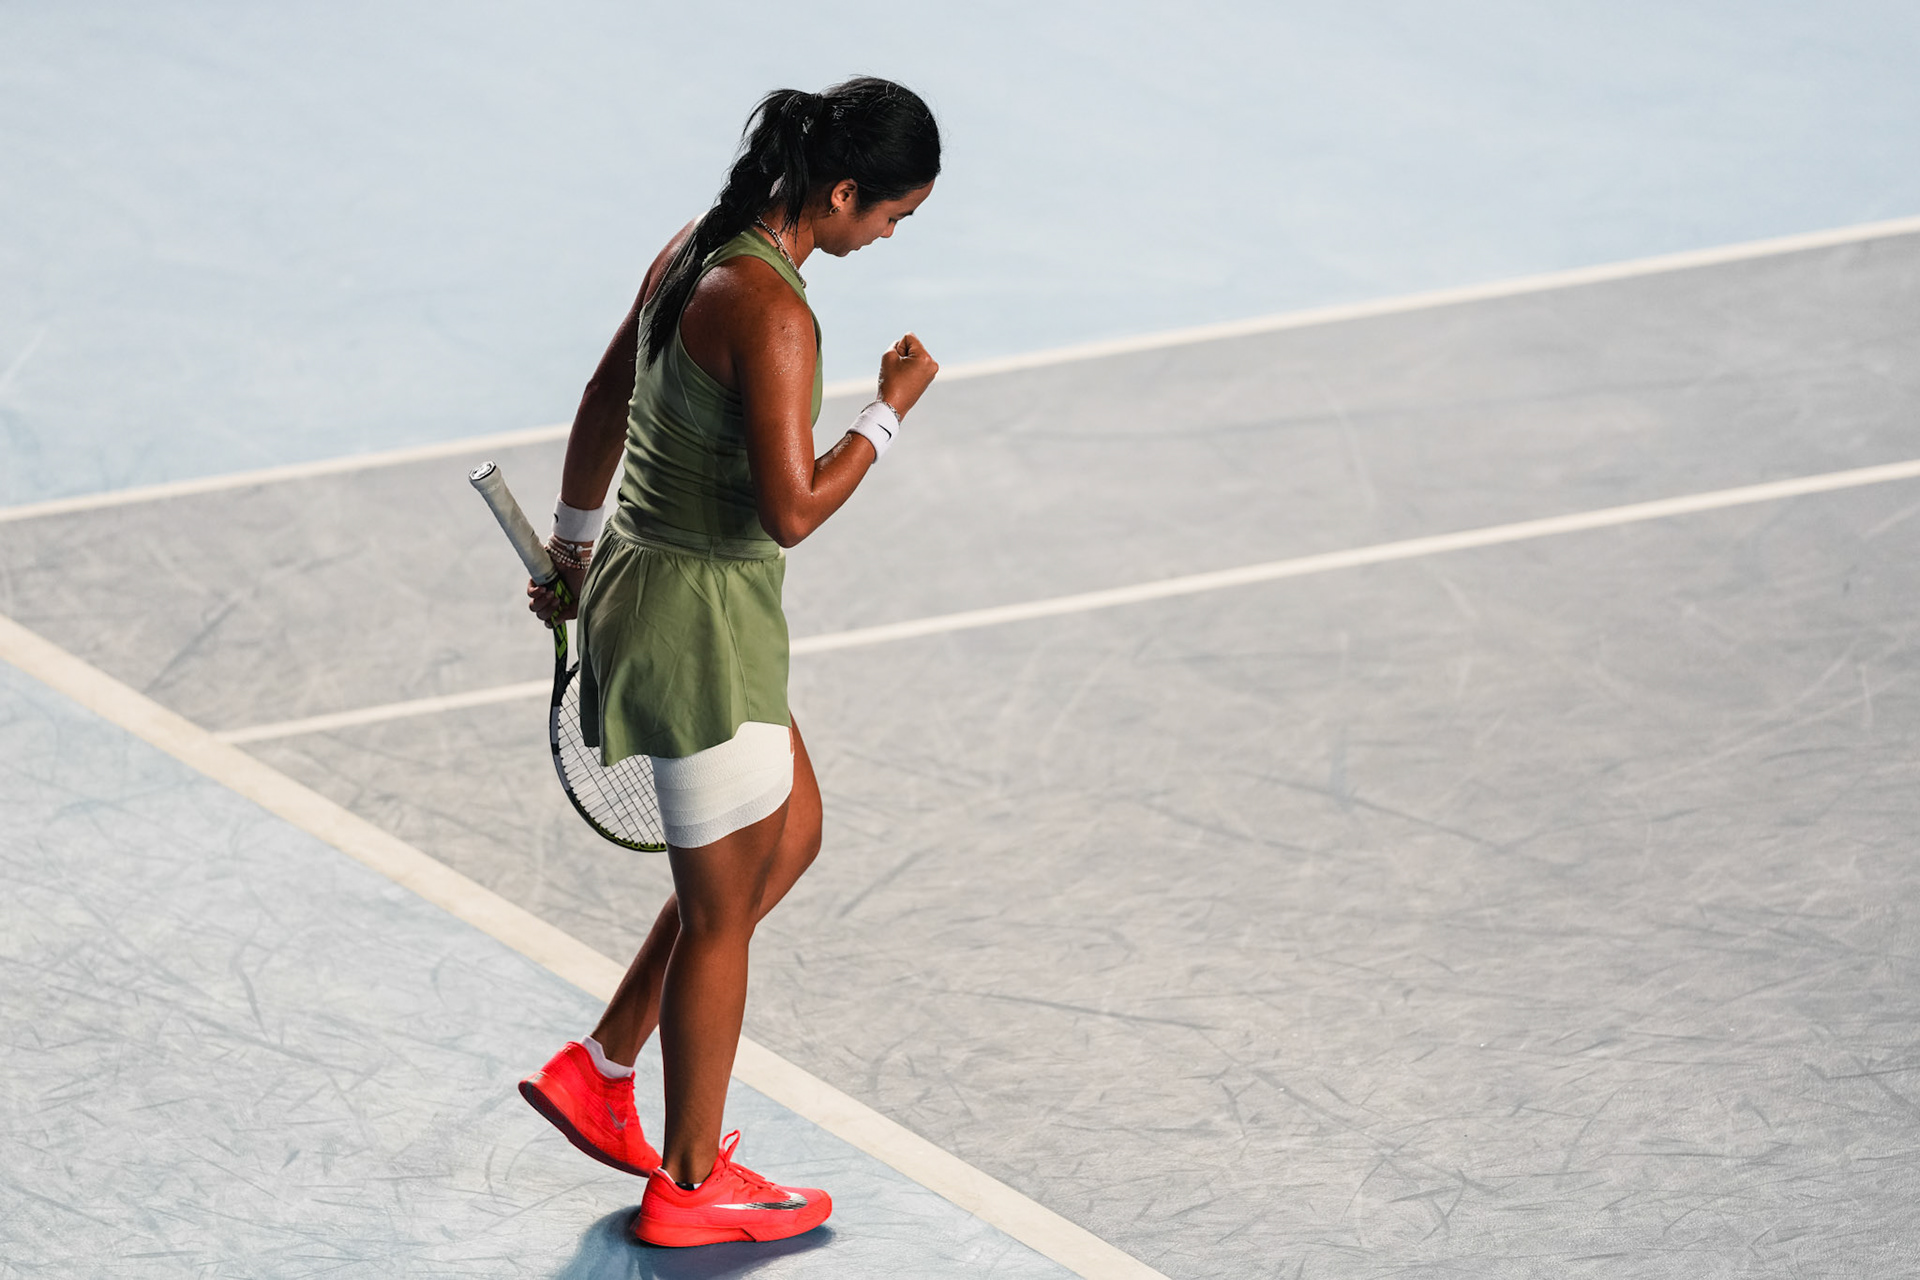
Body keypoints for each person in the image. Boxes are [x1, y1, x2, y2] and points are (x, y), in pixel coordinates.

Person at [513, 77, 940, 1248]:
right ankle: (692, 1184)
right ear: (842, 192)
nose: (891, 235)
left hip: (648, 587)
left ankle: (601, 1061)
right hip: (701, 627)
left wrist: (571, 542)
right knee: (720, 918)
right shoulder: (775, 312)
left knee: (788, 833)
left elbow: (608, 393)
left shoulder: (693, 247)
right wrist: (888, 411)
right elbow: (793, 508)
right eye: (893, 214)